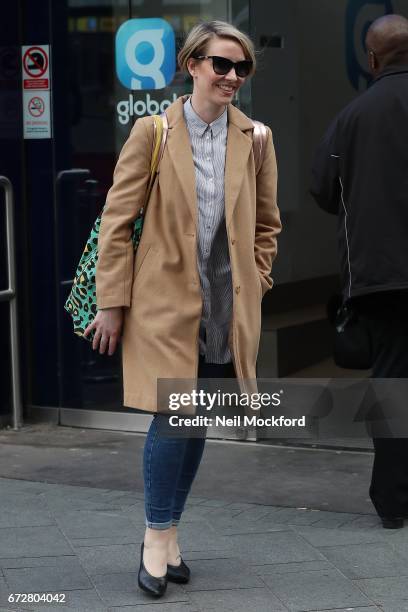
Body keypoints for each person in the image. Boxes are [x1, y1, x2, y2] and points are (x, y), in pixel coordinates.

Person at [85, 20, 281, 596]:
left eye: (241, 68)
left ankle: (169, 538)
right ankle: (155, 534)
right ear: (192, 64)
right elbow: (116, 224)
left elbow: (268, 224)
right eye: (221, 64)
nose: (232, 77)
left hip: (226, 305)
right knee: (173, 416)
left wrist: (258, 280)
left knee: (195, 421)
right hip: (163, 304)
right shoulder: (154, 132)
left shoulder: (258, 139)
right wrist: (113, 304)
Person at [311, 14, 408, 529]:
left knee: (393, 386)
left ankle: (393, 501)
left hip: (382, 278)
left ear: (371, 60)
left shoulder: (352, 116)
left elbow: (322, 188)